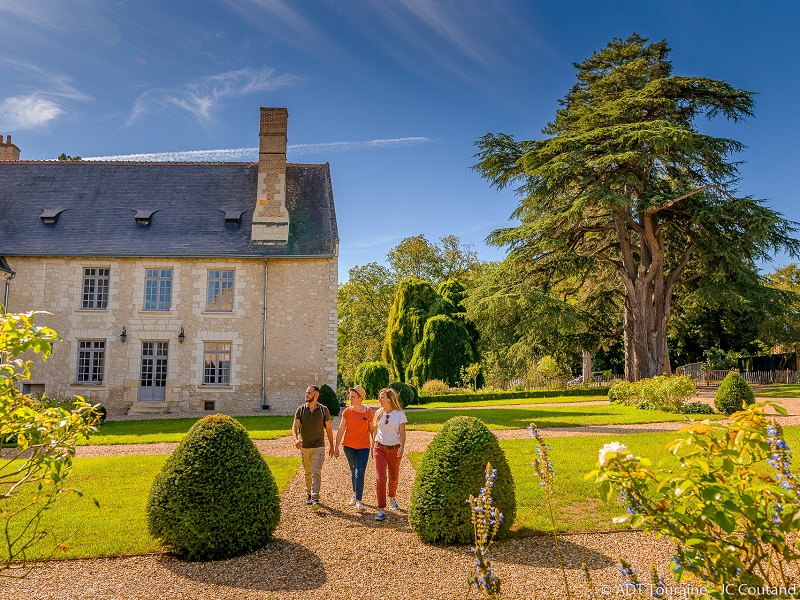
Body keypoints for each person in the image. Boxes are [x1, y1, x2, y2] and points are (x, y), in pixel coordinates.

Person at [291, 385, 334, 511]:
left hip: (319, 446)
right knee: (308, 473)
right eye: (306, 392)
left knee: (316, 472)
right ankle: (309, 494)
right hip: (305, 446)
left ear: (316, 396)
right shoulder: (301, 410)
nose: (306, 395)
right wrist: (296, 439)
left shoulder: (323, 410)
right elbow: (294, 427)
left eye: (309, 393)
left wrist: (332, 445)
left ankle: (315, 498)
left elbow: (329, 429)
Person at [333, 384, 373, 512]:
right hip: (348, 447)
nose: (350, 399)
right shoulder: (347, 412)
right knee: (353, 471)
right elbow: (340, 430)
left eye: (353, 397)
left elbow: (372, 430)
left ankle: (359, 502)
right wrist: (336, 447)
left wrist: (375, 446)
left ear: (360, 398)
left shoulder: (368, 412)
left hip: (363, 447)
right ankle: (355, 494)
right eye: (350, 396)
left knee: (359, 472)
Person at [370, 387, 407, 522]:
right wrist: (372, 447)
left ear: (389, 399)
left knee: (393, 478)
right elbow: (375, 431)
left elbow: (402, 433)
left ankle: (392, 498)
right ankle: (381, 509)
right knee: (380, 479)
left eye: (382, 397)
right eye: (380, 397)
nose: (380, 399)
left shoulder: (400, 414)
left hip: (394, 449)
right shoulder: (378, 413)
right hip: (379, 448)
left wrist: (402, 446)